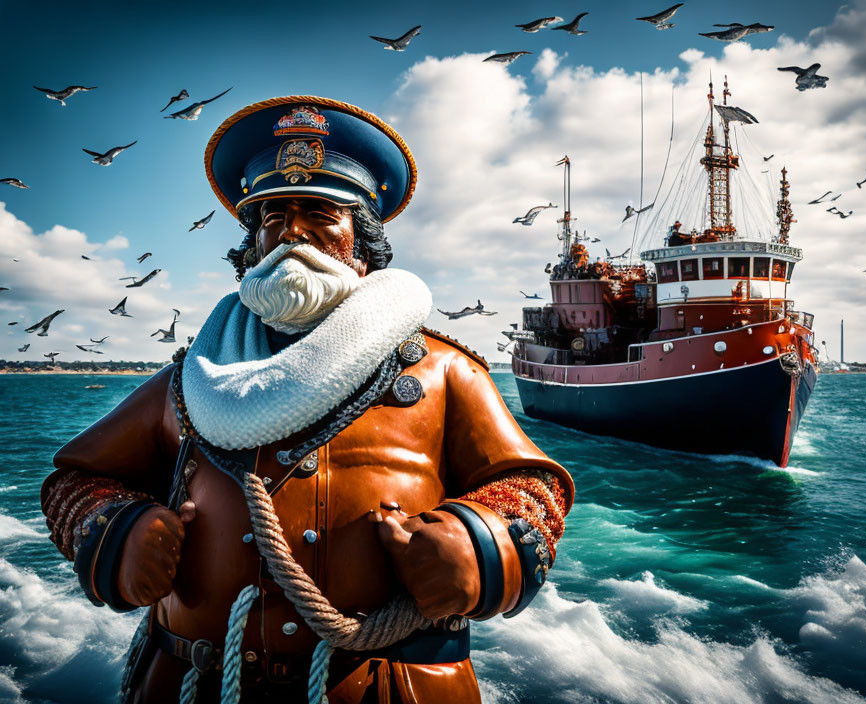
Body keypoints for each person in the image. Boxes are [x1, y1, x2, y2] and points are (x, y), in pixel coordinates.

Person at [40, 96, 573, 704]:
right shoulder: (191, 378)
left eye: (319, 211)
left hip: (389, 689)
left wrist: (479, 546)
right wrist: (121, 532)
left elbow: (535, 485)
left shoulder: (445, 372)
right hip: (196, 685)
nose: (291, 230)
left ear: (363, 240)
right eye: (272, 217)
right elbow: (74, 480)